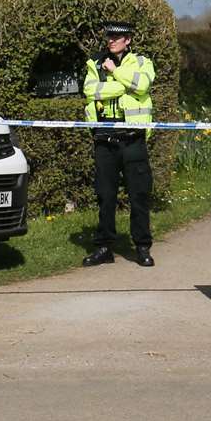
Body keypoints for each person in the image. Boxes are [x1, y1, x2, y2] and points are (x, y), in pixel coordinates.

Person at [81, 21, 157, 267]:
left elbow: (142, 85)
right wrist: (122, 85)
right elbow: (91, 91)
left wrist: (114, 72)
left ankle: (142, 247)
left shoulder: (142, 62)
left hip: (132, 137)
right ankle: (104, 247)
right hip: (105, 137)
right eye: (109, 37)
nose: (111, 41)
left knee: (139, 195)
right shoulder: (95, 63)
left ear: (128, 40)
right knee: (105, 195)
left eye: (117, 37)